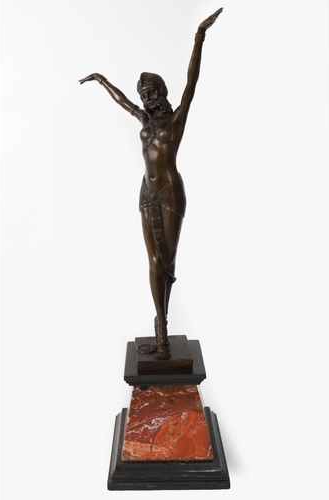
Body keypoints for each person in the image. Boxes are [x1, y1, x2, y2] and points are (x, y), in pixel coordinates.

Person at [79, 8, 223, 359]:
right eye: (143, 94)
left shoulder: (176, 120)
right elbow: (125, 104)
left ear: (162, 91)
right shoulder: (144, 118)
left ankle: (163, 329)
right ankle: (161, 334)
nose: (146, 99)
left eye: (151, 92)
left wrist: (199, 36)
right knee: (153, 261)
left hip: (170, 193)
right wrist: (102, 80)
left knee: (166, 263)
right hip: (146, 193)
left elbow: (192, 83)